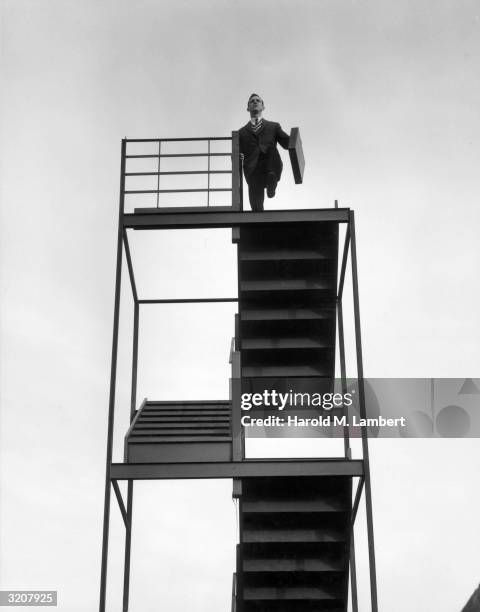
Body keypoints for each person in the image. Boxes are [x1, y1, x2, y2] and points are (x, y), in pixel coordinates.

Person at [239, 93, 290, 212]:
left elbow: (287, 143)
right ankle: (257, 214)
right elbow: (236, 153)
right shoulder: (241, 133)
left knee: (271, 150)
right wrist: (239, 157)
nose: (255, 102)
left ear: (263, 106)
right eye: (252, 101)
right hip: (253, 170)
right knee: (256, 208)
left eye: (258, 101)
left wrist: (296, 139)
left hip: (270, 164)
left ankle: (271, 184)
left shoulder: (273, 127)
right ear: (248, 108)